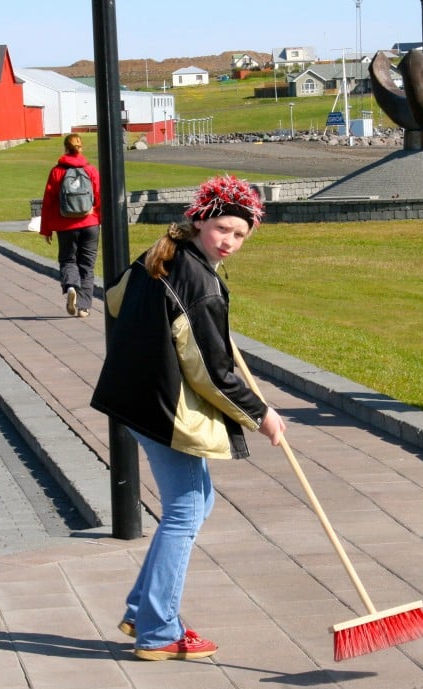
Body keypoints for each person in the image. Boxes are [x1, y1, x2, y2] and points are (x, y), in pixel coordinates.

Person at [90, 175, 287, 661]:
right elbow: (212, 373)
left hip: (136, 396)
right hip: (157, 404)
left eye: (240, 235)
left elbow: (114, 298)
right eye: (223, 229)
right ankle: (158, 631)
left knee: (197, 503)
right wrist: (262, 414)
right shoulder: (198, 280)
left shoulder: (162, 256)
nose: (230, 242)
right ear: (199, 220)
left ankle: (142, 608)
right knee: (184, 509)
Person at [38, 133, 101, 318]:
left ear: (65, 148)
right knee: (87, 265)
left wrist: (46, 229)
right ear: (81, 148)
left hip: (65, 224)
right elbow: (99, 196)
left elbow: (48, 201)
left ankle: (71, 286)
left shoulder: (57, 171)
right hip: (90, 223)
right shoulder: (90, 170)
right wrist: (98, 218)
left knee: (68, 260)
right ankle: (84, 307)